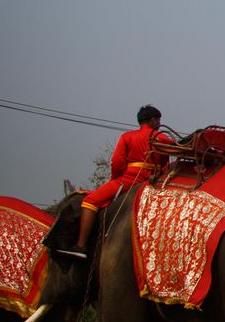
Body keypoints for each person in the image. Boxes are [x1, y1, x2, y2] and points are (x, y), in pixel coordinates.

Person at [60, 105, 171, 260]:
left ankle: (81, 246)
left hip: (129, 179)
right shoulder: (162, 138)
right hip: (154, 182)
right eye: (158, 120)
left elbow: (117, 162)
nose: (159, 123)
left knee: (89, 201)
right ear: (152, 120)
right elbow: (165, 164)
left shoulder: (127, 137)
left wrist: (116, 178)